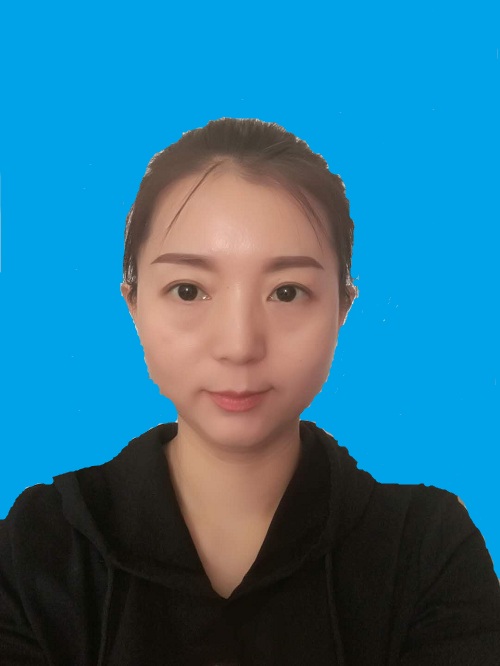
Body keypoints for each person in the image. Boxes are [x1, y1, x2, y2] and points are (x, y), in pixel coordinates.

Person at [1, 118, 499, 665]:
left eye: (286, 292)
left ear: (342, 308)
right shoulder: (38, 546)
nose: (238, 346)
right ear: (134, 305)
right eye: (188, 290)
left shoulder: (427, 551)